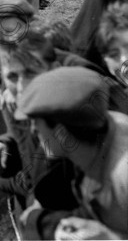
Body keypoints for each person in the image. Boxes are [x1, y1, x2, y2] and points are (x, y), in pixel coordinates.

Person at [16, 67, 128, 240]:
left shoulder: (123, 175)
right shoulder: (102, 125)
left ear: (61, 133)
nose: (33, 130)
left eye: (37, 124)